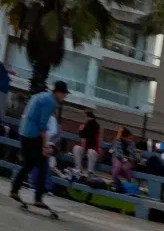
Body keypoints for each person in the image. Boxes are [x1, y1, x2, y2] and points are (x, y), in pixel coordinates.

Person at [9, 80, 67, 213]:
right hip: (33, 135)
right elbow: (42, 126)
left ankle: (14, 190)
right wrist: (45, 145)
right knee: (42, 166)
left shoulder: (39, 95)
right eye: (64, 94)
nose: (64, 97)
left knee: (28, 164)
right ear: (58, 92)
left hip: (24, 132)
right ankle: (38, 199)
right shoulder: (50, 102)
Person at [75, 108, 102, 179]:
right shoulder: (83, 126)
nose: (84, 118)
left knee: (91, 151)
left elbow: (93, 140)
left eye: (85, 116)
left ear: (89, 117)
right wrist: (84, 127)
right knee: (76, 148)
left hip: (93, 151)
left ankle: (90, 173)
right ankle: (78, 169)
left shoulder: (96, 126)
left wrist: (89, 124)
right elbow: (81, 137)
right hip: (84, 150)